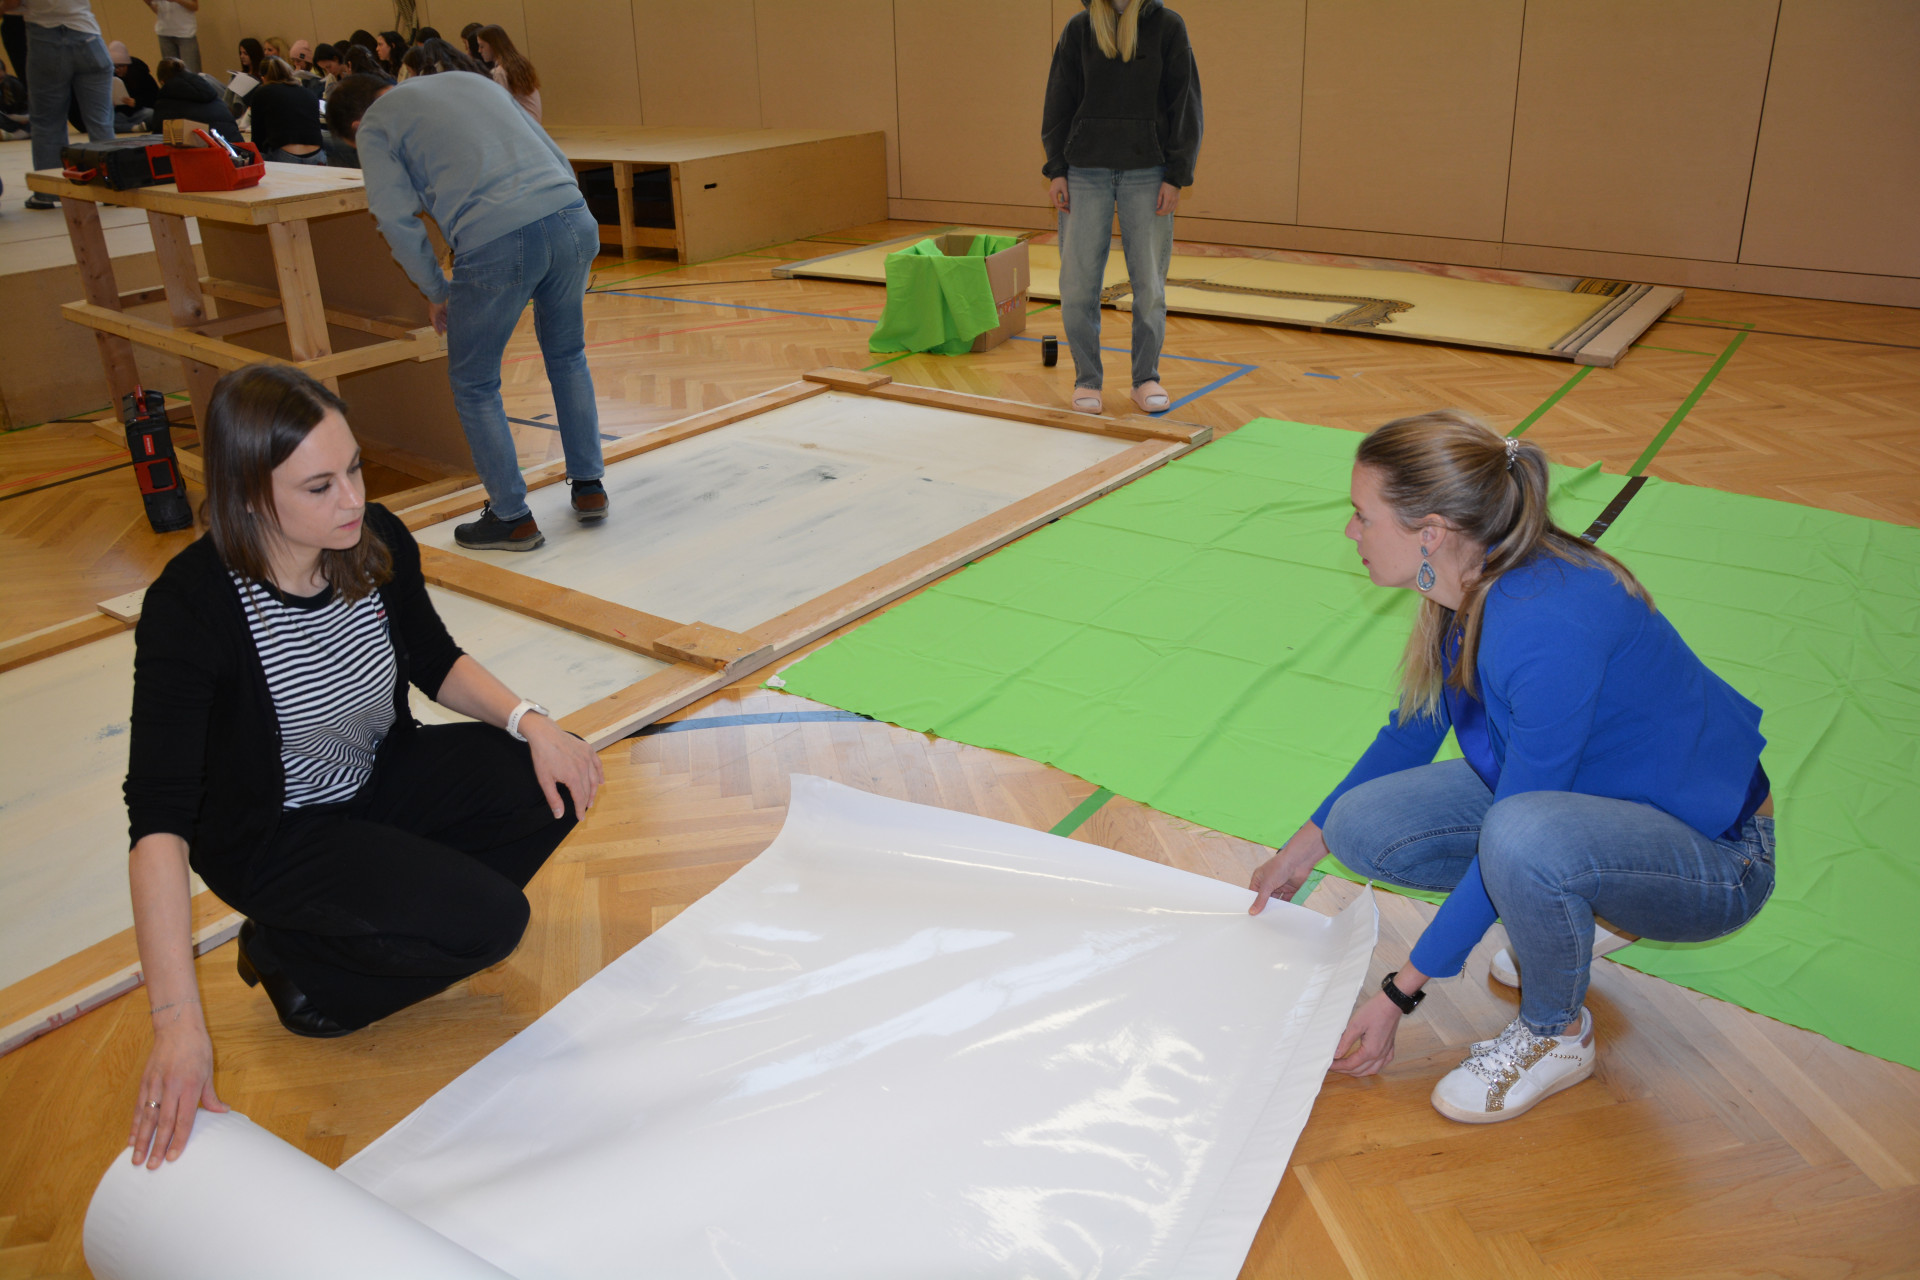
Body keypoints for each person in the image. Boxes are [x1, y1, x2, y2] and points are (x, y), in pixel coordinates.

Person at [123, 363, 602, 1170]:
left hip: (378, 774)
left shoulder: (370, 538)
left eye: (354, 468)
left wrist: (533, 722)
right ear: (250, 495)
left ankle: (355, 920)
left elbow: (432, 658)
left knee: (553, 780)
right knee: (493, 924)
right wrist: (177, 1024)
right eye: (320, 486)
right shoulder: (191, 608)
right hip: (275, 836)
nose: (352, 499)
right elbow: (158, 822)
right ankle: (303, 964)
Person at [1247, 411, 1775, 1124]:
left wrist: (1399, 994)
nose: (1351, 532)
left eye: (1362, 516)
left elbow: (1518, 820)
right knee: (1358, 825)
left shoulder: (1544, 623)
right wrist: (1300, 850)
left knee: (1523, 837)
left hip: (1718, 856)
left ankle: (1556, 1031)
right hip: (1594, 804)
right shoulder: (1467, 576)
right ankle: (1574, 906)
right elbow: (1411, 733)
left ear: (1431, 531)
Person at [327, 73, 605, 550]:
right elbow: (555, 156)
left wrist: (438, 290)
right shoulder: (470, 81)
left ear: (354, 125)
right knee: (567, 355)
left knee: (474, 382)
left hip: (498, 238)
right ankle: (589, 487)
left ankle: (512, 517)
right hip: (573, 216)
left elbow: (393, 217)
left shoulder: (375, 124)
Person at [1040, 0, 1201, 416]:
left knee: (1149, 285)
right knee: (1078, 285)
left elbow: (1184, 103)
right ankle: (1087, 380)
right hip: (1083, 172)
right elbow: (1058, 101)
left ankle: (1145, 378)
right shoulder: (1079, 28)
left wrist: (1176, 175)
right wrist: (1057, 169)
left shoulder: (1168, 26)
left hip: (1148, 172)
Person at [8, 0, 116, 210]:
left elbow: (11, 3)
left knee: (47, 123)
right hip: (89, 37)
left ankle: (48, 194)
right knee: (101, 121)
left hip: (46, 39)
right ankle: (112, 185)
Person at [244, 56, 323, 163]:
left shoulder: (263, 92)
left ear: (264, 78)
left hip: (287, 155)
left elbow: (258, 136)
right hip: (317, 154)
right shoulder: (308, 93)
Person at [152, 54, 237, 144]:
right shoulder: (209, 90)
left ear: (162, 82)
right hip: (235, 146)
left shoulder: (165, 101)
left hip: (208, 149)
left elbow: (158, 137)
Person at [475, 23, 539, 123]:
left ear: (493, 46)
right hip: (533, 122)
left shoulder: (500, 72)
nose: (479, 51)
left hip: (522, 123)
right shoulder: (519, 63)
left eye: (482, 46)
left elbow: (501, 107)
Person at [108, 39, 157, 131]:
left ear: (127, 65)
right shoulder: (110, 77)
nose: (117, 70)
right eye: (114, 67)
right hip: (120, 114)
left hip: (139, 112)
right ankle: (134, 128)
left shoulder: (141, 74)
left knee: (151, 113)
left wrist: (136, 102)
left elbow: (154, 97)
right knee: (108, 119)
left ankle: (128, 127)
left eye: (120, 66)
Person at [142, 0, 196, 73]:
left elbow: (194, 6)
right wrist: (149, 3)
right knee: (170, 73)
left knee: (191, 71)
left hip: (185, 33)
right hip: (164, 33)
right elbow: (159, 11)